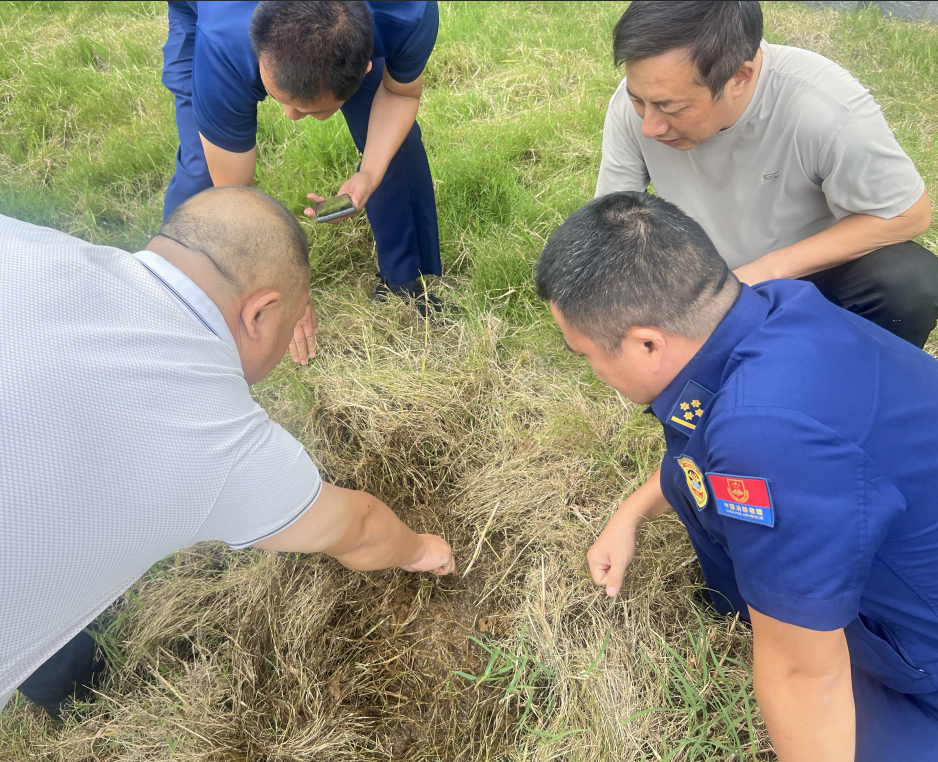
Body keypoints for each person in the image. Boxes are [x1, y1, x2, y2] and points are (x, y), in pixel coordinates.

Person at [0, 187, 455, 719]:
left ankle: (59, 672)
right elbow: (361, 527)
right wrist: (422, 550)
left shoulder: (27, 242)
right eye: (288, 332)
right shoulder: (210, 432)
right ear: (260, 313)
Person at [535, 191, 938, 761]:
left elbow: (802, 676)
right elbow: (704, 450)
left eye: (586, 356)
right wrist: (630, 512)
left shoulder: (765, 440)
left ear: (647, 342)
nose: (592, 373)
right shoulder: (772, 310)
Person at [596, 0, 938, 348]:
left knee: (907, 280)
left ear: (739, 78)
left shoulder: (824, 110)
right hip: (701, 276)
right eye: (637, 98)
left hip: (813, 278)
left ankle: (853, 382)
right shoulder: (634, 109)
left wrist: (767, 270)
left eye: (672, 107)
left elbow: (908, 214)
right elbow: (612, 220)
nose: (650, 126)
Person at [161, 0, 444, 341]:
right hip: (210, 15)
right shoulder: (226, 45)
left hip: (344, 27)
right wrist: (283, 286)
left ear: (366, 66)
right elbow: (234, 199)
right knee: (203, 172)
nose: (289, 116)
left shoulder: (408, 12)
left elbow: (399, 94)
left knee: (389, 140)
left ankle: (404, 280)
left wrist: (368, 174)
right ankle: (177, 297)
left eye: (306, 108)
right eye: (280, 97)